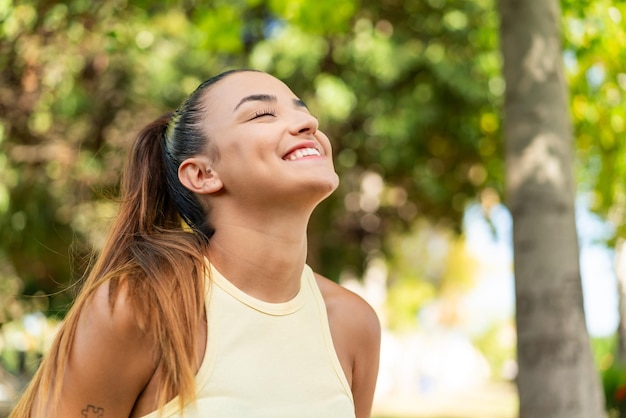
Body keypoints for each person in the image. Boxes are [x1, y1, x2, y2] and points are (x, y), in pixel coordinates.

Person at [10, 69, 381, 418]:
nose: (309, 123)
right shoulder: (143, 306)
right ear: (203, 174)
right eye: (262, 114)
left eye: (303, 111)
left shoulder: (353, 324)